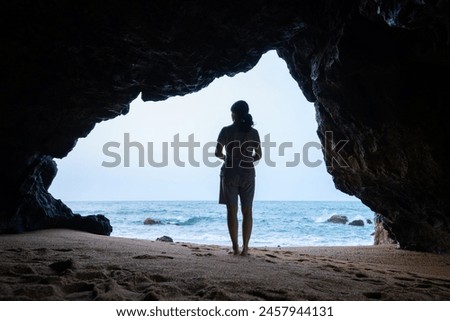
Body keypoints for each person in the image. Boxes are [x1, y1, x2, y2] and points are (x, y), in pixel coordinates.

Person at [215, 100, 262, 256]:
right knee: (247, 210)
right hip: (248, 173)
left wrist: (226, 158)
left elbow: (217, 152)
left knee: (232, 210)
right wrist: (247, 160)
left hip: (230, 172)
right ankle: (246, 248)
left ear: (234, 114)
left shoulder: (226, 131)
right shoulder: (254, 133)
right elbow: (259, 155)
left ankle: (235, 247)